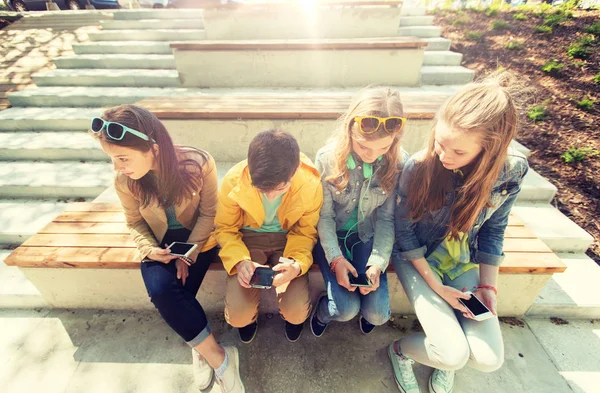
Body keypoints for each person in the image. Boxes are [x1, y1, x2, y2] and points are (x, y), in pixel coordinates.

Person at [387, 74, 529, 393]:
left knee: (489, 359)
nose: (444, 155)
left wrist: (488, 286)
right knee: (451, 355)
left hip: (462, 261)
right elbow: (404, 233)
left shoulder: (512, 171)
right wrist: (437, 287)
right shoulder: (420, 166)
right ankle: (400, 352)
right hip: (419, 257)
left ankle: (443, 356)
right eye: (440, 142)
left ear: (489, 151)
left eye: (459, 152)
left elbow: (494, 230)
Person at [90, 104, 244, 393]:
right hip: (159, 245)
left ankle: (200, 350)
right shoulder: (124, 181)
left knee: (178, 294)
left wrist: (187, 254)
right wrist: (150, 250)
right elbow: (134, 222)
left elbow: (211, 213)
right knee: (162, 291)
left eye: (123, 158)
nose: (118, 167)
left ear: (154, 148)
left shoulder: (198, 163)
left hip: (201, 239)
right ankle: (219, 358)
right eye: (112, 159)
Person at [310, 87, 407, 337]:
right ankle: (322, 310)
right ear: (350, 129)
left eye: (383, 148)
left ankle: (368, 311)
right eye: (364, 147)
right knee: (344, 310)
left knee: (378, 314)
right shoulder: (327, 158)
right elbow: (325, 217)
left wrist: (378, 262)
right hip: (331, 238)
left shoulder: (397, 163)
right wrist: (336, 258)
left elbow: (386, 219)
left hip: (368, 237)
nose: (372, 156)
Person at [214, 129, 323, 344]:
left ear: (295, 171)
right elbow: (225, 228)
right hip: (248, 240)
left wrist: (297, 265)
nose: (271, 195)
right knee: (238, 316)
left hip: (290, 241)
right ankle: (249, 320)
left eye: (280, 188)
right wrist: (239, 260)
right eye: (262, 189)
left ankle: (293, 318)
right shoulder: (234, 181)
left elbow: (305, 231)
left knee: (297, 311)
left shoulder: (310, 184)